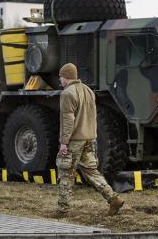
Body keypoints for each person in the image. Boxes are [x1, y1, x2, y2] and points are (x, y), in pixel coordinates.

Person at [56, 63, 124, 217]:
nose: (60, 80)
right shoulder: (88, 91)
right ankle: (113, 199)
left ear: (65, 77)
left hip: (74, 140)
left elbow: (68, 121)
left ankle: (63, 210)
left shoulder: (67, 94)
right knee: (91, 172)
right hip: (89, 139)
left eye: (60, 77)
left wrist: (64, 143)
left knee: (66, 173)